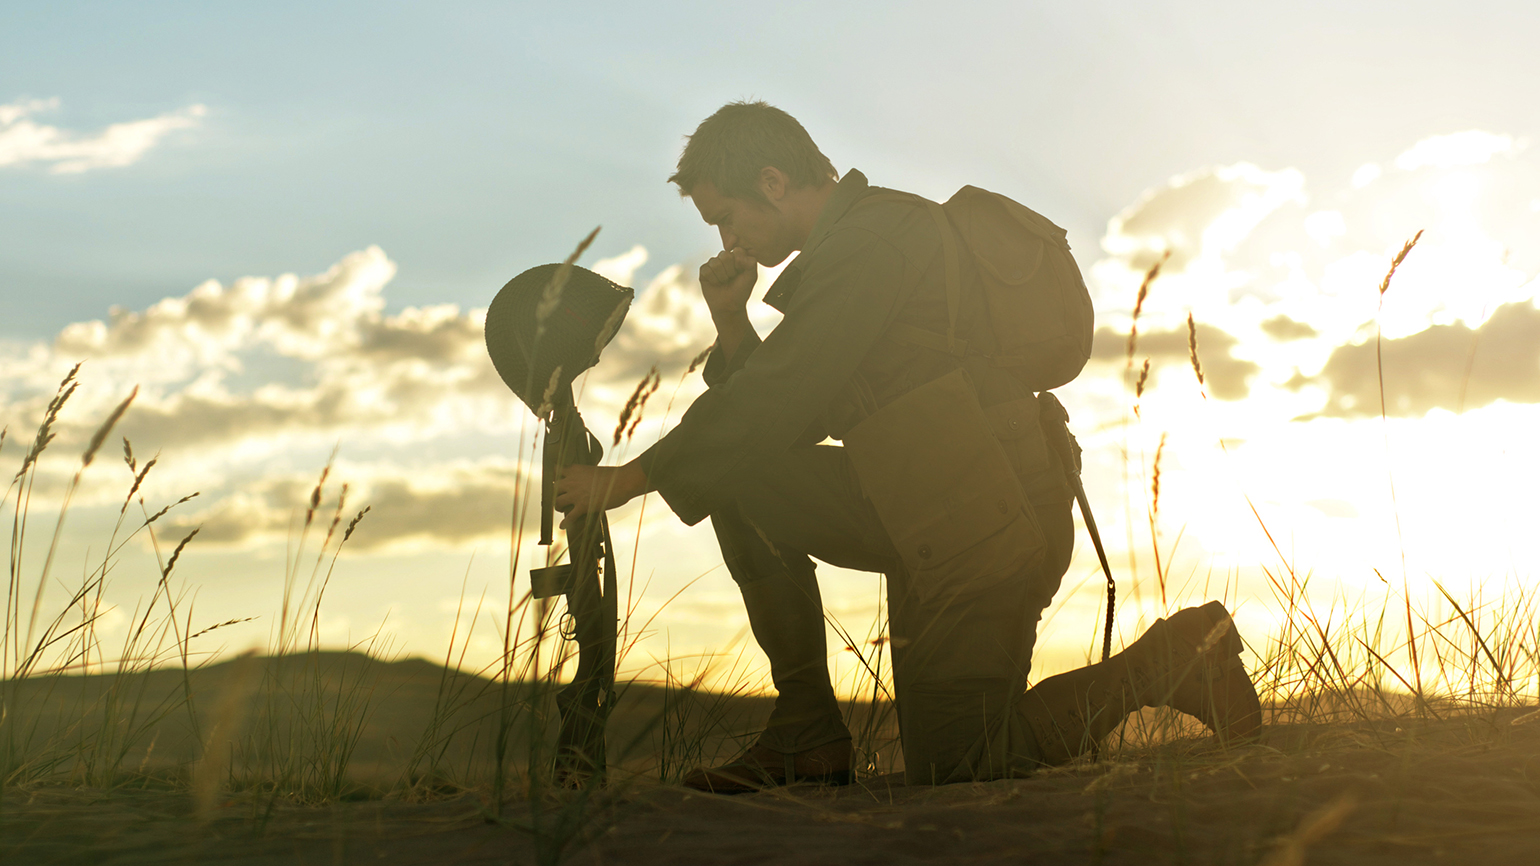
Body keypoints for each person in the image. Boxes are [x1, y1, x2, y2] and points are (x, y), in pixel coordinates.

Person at [553, 101, 1261, 791]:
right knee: (738, 473)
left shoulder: (876, 240)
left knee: (962, 762)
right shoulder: (851, 246)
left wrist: (626, 480)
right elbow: (788, 416)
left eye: (726, 219)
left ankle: (1174, 659)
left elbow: (778, 395)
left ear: (772, 182)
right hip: (925, 511)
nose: (727, 243)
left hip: (993, 522)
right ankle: (806, 731)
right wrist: (734, 323)